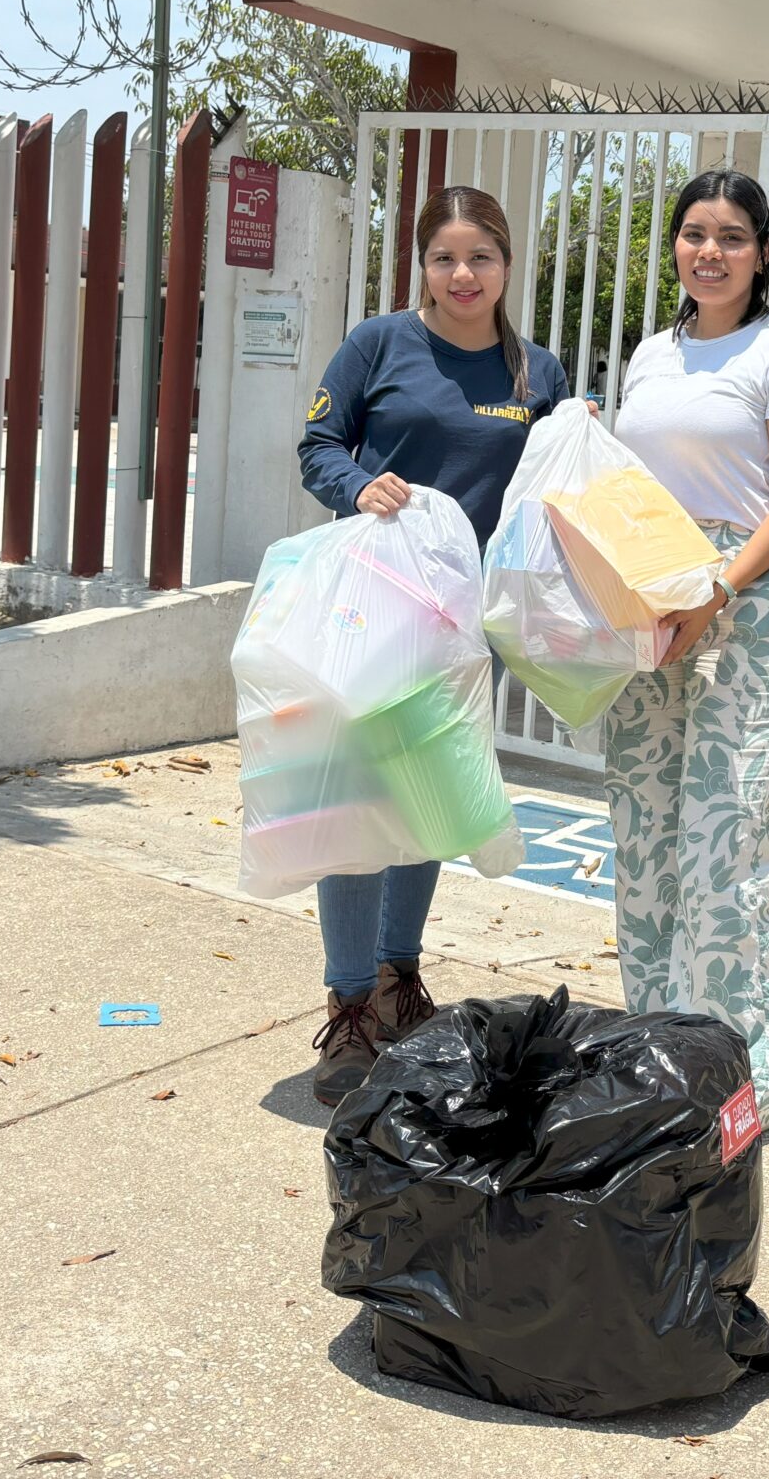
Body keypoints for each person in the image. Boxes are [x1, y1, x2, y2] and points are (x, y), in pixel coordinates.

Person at [294, 186, 569, 1107]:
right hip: (375, 609)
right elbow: (318, 445)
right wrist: (358, 486)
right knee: (359, 802)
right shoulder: (378, 343)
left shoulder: (537, 372)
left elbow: (557, 482)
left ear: (506, 267)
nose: (464, 275)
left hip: (465, 625)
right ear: (422, 263)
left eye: (481, 258)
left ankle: (399, 983)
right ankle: (349, 1009)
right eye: (446, 258)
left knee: (426, 800)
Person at [604, 169, 769, 1130]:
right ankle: (658, 1045)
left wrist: (721, 590)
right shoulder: (652, 354)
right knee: (645, 828)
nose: (711, 251)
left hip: (748, 606)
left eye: (732, 236)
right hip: (650, 602)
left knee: (723, 834)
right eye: (694, 233)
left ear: (764, 251)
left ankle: (745, 1069)